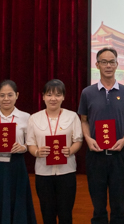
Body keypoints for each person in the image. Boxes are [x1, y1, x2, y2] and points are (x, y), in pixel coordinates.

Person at [78, 47, 124, 224]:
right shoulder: (87, 93)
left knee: (118, 205)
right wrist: (88, 138)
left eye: (112, 62)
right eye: (104, 62)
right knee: (98, 205)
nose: (108, 65)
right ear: (97, 65)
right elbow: (83, 120)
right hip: (95, 155)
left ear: (117, 64)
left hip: (118, 155)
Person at [0, 79, 37, 224]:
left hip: (16, 164)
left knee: (18, 197)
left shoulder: (26, 117)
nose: (6, 99)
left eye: (10, 95)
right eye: (2, 95)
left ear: (17, 95)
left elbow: (31, 142)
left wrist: (23, 147)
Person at [26, 79, 83, 224]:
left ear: (63, 97)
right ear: (43, 96)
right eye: (49, 94)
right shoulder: (34, 118)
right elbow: (30, 144)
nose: (53, 98)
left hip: (66, 171)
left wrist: (70, 150)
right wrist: (37, 152)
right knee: (47, 213)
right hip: (43, 173)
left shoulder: (72, 116)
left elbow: (78, 140)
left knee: (65, 214)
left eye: (58, 95)